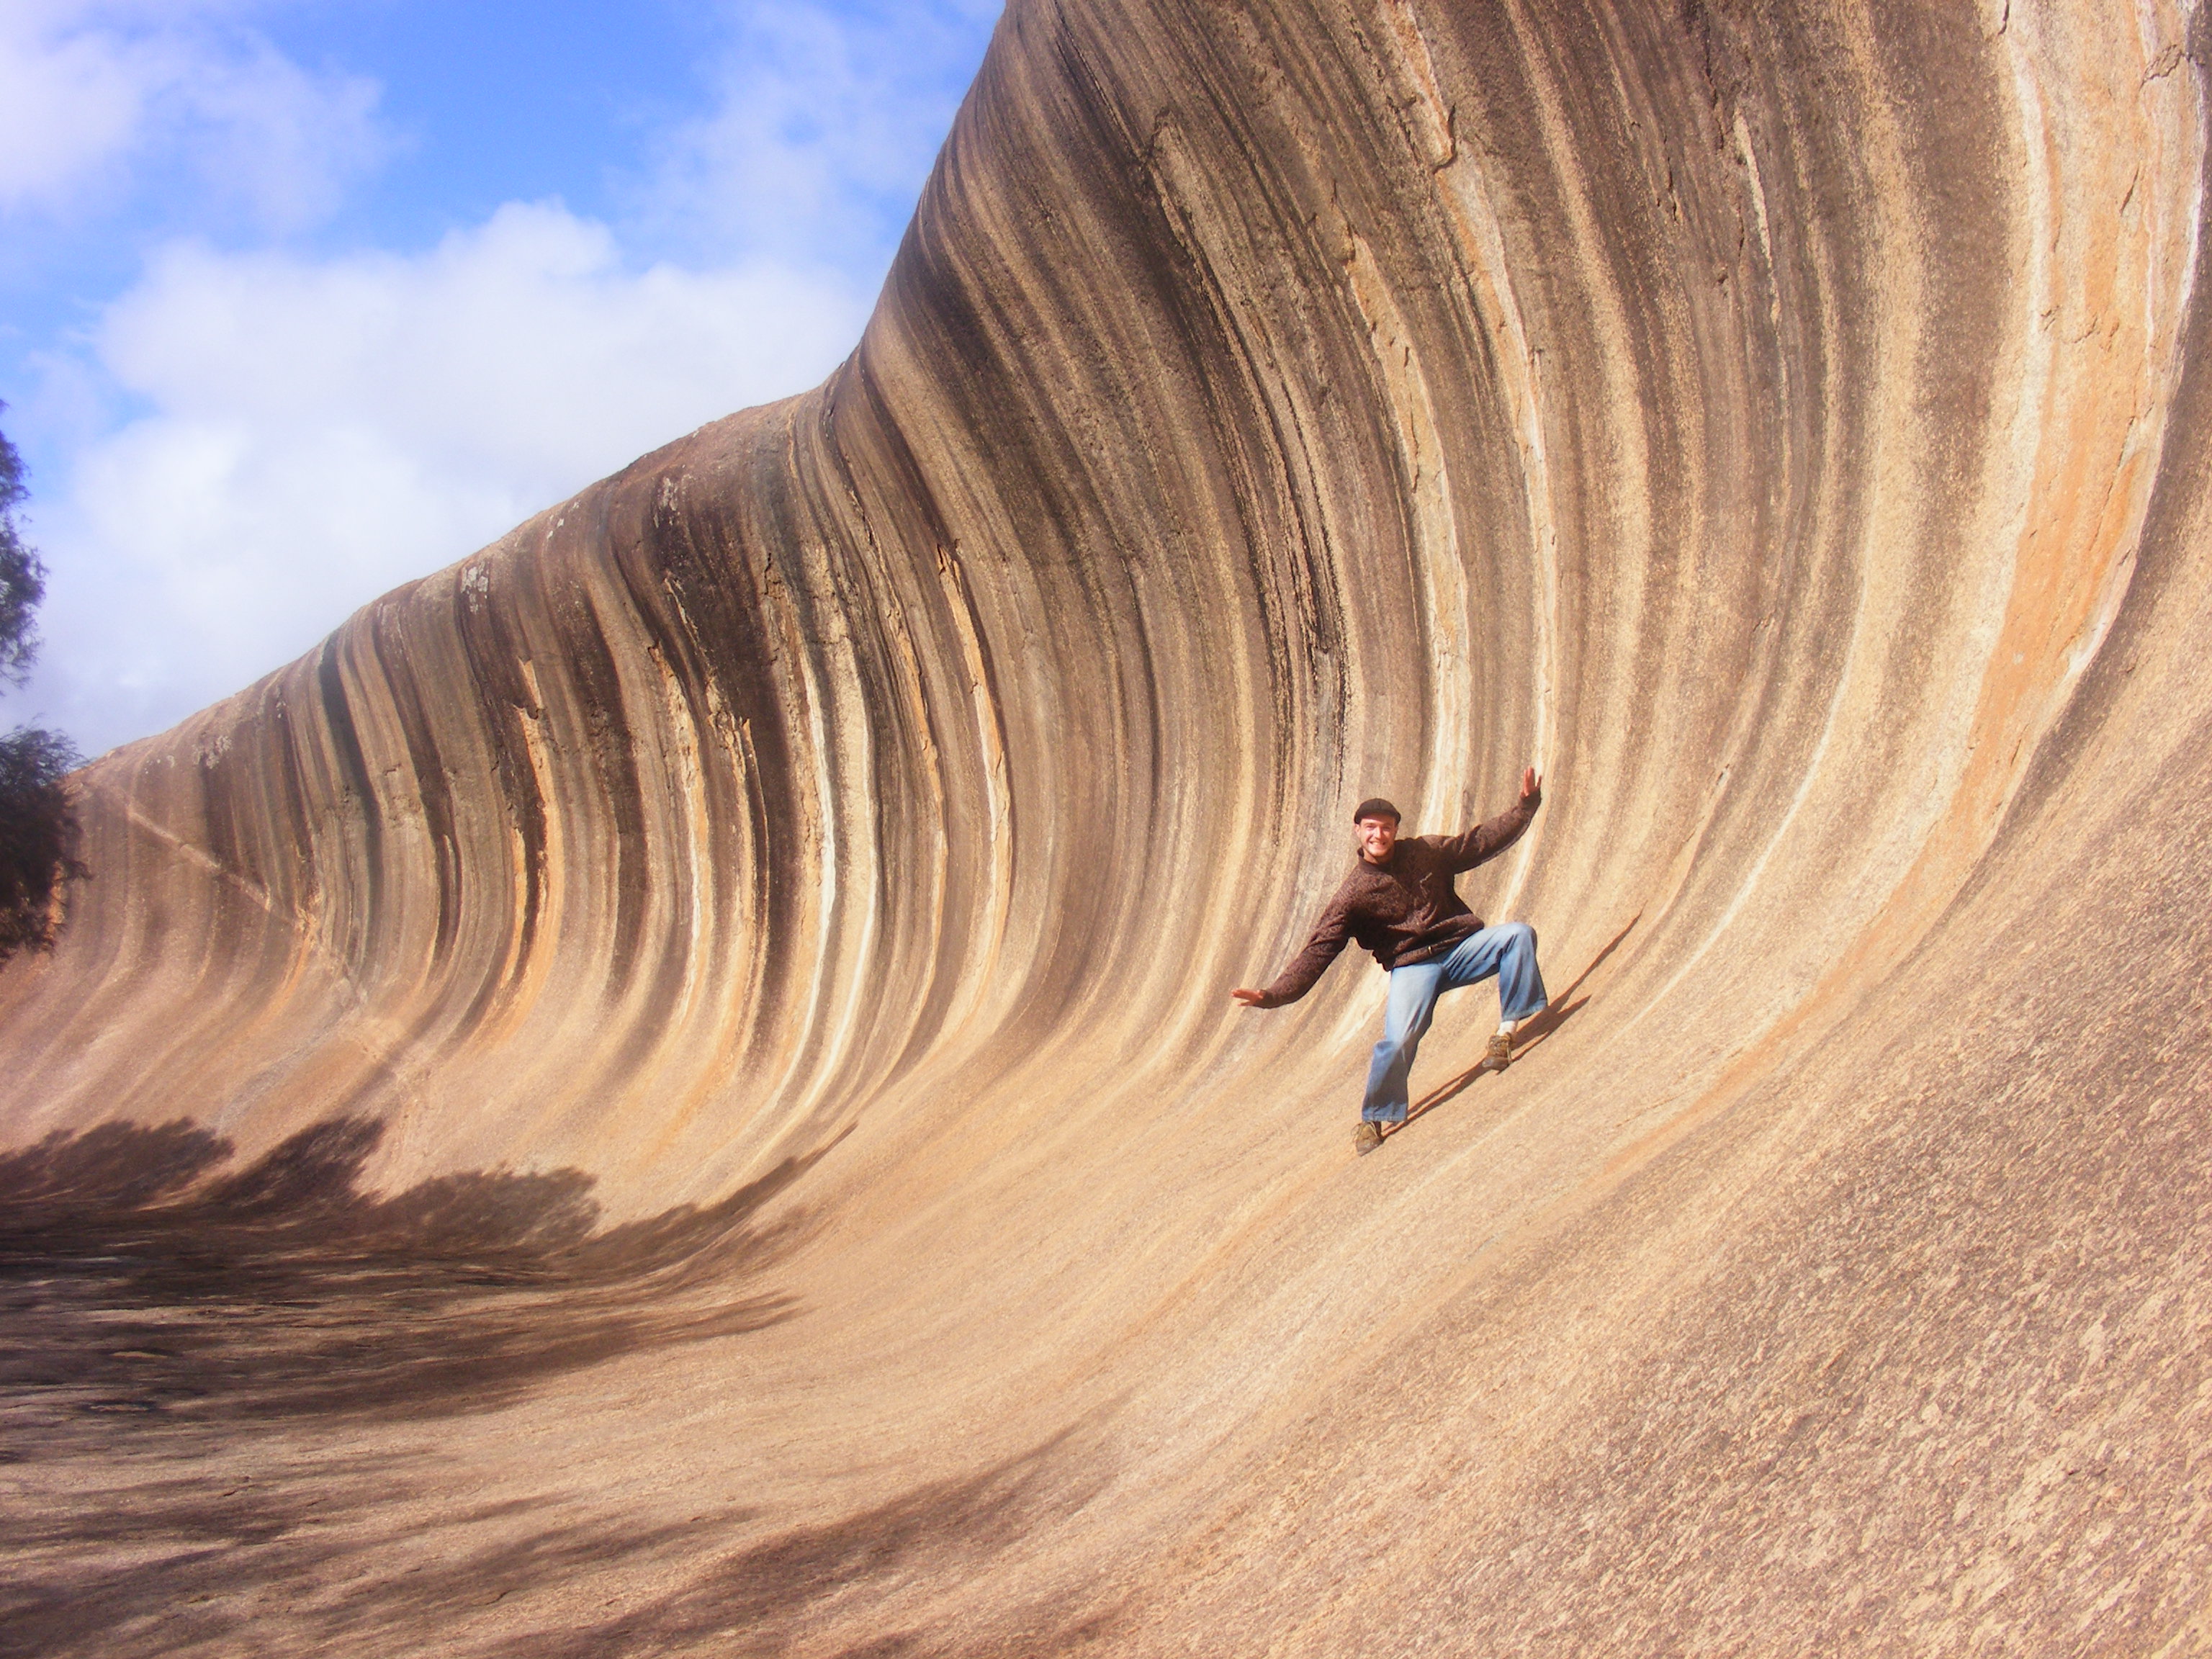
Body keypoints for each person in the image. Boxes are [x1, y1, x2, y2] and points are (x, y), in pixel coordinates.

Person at [1232, 769, 1547, 1155]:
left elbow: (1479, 842)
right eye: (1370, 828)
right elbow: (1319, 950)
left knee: (1517, 935)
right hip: (1413, 967)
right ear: (1358, 832)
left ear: (1396, 829)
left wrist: (1525, 807)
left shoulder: (1425, 851)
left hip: (1461, 948)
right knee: (1398, 1041)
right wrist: (1273, 995)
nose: (1377, 835)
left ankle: (1506, 1031)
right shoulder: (1354, 894)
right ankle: (1373, 1119)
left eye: (1385, 828)